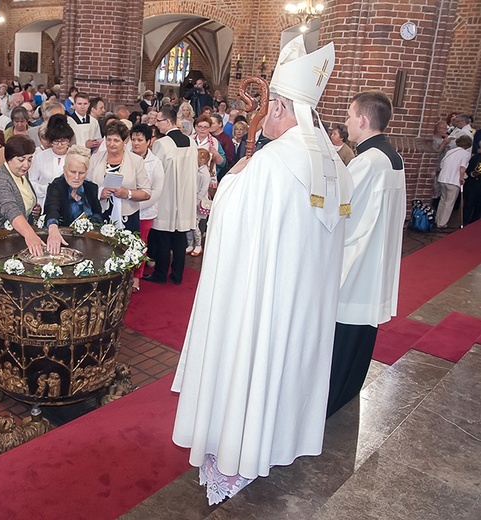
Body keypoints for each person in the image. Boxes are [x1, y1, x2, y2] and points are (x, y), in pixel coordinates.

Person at [172, 36, 352, 504]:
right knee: (281, 371)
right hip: (300, 305)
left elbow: (228, 218)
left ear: (276, 105)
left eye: (269, 103)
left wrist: (233, 179)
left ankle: (236, 451)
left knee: (250, 367)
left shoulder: (271, 164)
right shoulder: (333, 164)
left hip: (260, 301)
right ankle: (270, 443)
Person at [327, 91, 406, 418]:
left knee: (343, 336)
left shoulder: (367, 162)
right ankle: (348, 391)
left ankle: (329, 401)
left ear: (362, 120)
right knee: (361, 337)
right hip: (378, 261)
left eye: (348, 116)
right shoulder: (393, 158)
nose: (346, 122)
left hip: (357, 263)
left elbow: (342, 211)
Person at [144, 104, 198, 285]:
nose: (156, 124)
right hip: (185, 196)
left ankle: (160, 275)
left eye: (158, 121)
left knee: (164, 236)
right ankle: (177, 275)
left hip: (167, 195)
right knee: (180, 237)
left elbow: (156, 172)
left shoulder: (162, 143)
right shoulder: (191, 142)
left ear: (167, 121)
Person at [0, 135, 44, 256]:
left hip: (13, 240)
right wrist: (30, 235)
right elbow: (11, 210)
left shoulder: (21, 173)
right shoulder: (0, 180)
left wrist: (33, 208)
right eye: (21, 160)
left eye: (30, 159)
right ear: (8, 158)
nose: (26, 165)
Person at [87, 120, 151, 232]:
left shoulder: (136, 161)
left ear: (125, 141)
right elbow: (86, 188)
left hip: (128, 216)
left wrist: (128, 193)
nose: (111, 144)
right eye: (109, 139)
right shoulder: (95, 158)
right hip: (100, 215)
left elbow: (146, 193)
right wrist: (99, 194)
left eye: (116, 140)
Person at [45, 145, 103, 254]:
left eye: (81, 173)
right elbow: (52, 210)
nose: (76, 177)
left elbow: (98, 214)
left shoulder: (91, 187)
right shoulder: (56, 187)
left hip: (88, 243)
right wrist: (53, 228)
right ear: (64, 169)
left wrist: (91, 227)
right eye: (72, 172)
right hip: (62, 244)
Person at [129, 124, 164, 291]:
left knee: (140, 244)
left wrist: (139, 205)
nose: (136, 143)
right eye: (133, 139)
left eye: (140, 140)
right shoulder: (125, 157)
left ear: (149, 141)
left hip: (145, 211)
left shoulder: (155, 162)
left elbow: (156, 190)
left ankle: (136, 276)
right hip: (125, 208)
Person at [30, 114, 74, 207]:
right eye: (56, 141)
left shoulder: (74, 157)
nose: (59, 144)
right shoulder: (40, 157)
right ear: (50, 141)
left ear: (69, 141)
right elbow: (31, 181)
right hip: (44, 202)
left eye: (63, 141)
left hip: (69, 203)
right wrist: (47, 189)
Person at [437, 134, 472, 228]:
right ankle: (442, 223)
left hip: (443, 178)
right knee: (449, 203)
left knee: (443, 200)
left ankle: (437, 219)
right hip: (454, 180)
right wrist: (462, 178)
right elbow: (462, 167)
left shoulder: (450, 151)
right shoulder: (466, 154)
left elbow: (442, 164)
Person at [186, 148, 214, 257]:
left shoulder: (205, 173)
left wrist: (196, 200)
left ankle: (198, 245)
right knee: (188, 224)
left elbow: (203, 189)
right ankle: (190, 244)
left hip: (198, 202)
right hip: (190, 199)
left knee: (194, 225)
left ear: (204, 160)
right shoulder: (194, 170)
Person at [463, 143, 481, 225]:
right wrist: (470, 173)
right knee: (468, 205)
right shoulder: (475, 157)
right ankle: (465, 222)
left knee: (478, 207)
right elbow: (468, 168)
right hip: (472, 185)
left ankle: (474, 223)